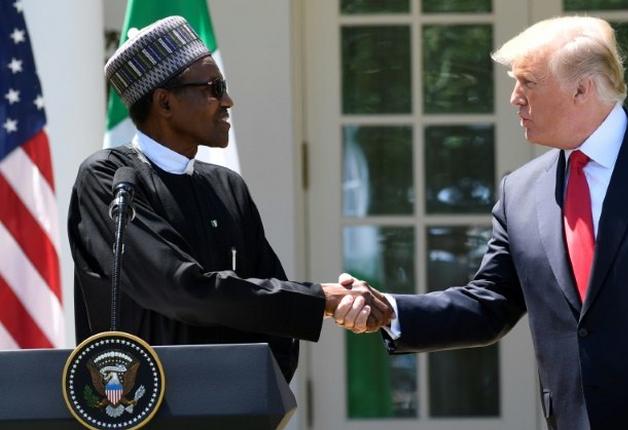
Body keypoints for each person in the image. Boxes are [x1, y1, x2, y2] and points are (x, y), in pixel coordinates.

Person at [333, 16, 628, 429]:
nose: (514, 98)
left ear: (582, 89)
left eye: (527, 82)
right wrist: (392, 312)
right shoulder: (521, 190)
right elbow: (490, 303)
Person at [67, 16, 392, 382]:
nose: (227, 100)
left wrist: (259, 393)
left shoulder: (226, 186)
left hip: (232, 408)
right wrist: (322, 299)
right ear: (165, 102)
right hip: (144, 407)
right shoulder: (110, 178)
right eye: (213, 87)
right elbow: (179, 289)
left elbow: (274, 315)